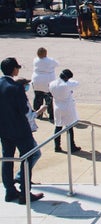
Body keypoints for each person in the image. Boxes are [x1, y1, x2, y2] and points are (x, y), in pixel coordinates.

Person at [0, 57, 44, 204]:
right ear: (14, 70)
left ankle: (10, 191)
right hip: (20, 130)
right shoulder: (16, 87)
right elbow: (25, 111)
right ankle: (25, 193)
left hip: (4, 130)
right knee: (27, 159)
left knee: (7, 159)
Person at [49, 69, 81, 153]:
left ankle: (57, 146)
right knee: (69, 128)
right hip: (67, 108)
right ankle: (72, 146)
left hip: (57, 107)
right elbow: (77, 83)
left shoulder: (52, 83)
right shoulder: (67, 85)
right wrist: (69, 81)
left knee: (58, 127)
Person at [31, 47, 58, 122]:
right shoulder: (50, 60)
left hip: (36, 80)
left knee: (37, 97)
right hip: (48, 81)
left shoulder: (35, 60)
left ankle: (38, 114)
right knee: (49, 99)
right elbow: (57, 64)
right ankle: (51, 115)